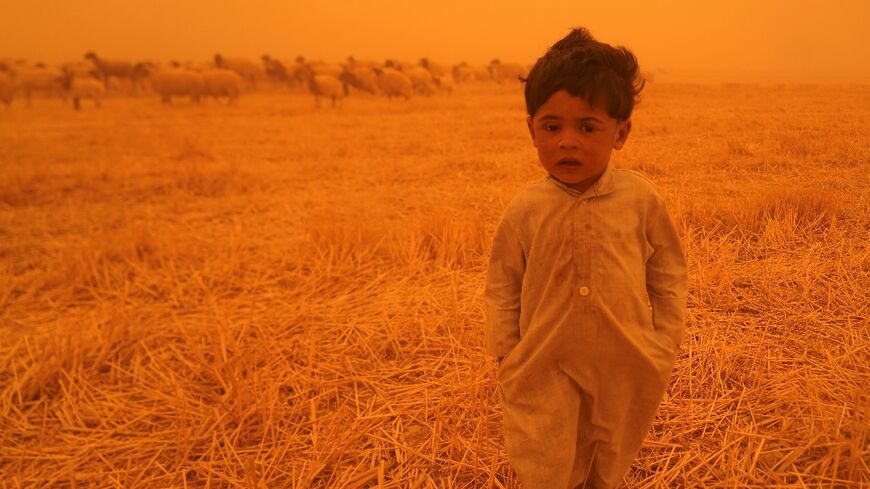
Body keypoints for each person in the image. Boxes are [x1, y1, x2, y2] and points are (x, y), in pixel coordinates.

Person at [484, 27, 688, 489]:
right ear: (531, 129)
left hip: (625, 357)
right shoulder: (525, 208)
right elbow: (502, 283)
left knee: (611, 453)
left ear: (621, 132)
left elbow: (669, 272)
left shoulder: (640, 199)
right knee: (545, 460)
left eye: (587, 127)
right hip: (542, 361)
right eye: (552, 127)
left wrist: (664, 340)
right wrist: (506, 352)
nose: (567, 141)